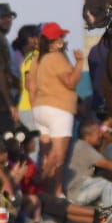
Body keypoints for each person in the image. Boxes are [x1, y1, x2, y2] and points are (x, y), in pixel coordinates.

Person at [28, 22, 85, 196]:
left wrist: (35, 108)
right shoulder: (57, 58)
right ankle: (41, 179)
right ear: (55, 41)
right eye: (61, 37)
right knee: (59, 157)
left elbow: (30, 86)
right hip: (59, 109)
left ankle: (52, 193)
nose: (63, 39)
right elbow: (70, 82)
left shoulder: (37, 59)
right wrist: (80, 62)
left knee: (46, 156)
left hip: (40, 109)